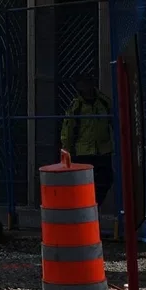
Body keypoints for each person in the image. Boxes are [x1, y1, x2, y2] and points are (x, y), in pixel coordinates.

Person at [60, 78, 113, 206]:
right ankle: (87, 206)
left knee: (106, 179)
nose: (85, 86)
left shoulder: (104, 102)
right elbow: (68, 128)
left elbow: (114, 121)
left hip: (103, 150)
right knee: (83, 182)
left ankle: (94, 204)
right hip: (83, 150)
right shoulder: (76, 106)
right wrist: (66, 147)